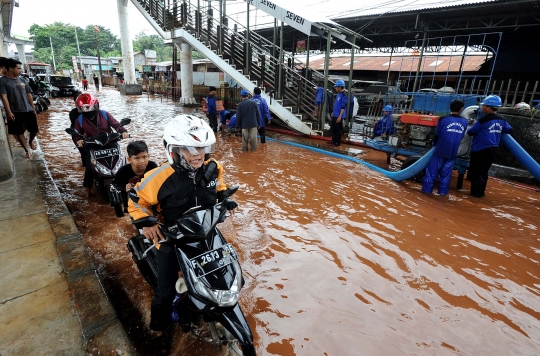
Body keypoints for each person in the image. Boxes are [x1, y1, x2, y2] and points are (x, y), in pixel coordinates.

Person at [127, 116, 238, 345]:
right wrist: (148, 224)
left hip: (206, 232)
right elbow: (136, 201)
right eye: (188, 148)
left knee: (227, 272)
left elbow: (219, 187)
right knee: (165, 292)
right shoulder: (157, 178)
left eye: (200, 146)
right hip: (172, 237)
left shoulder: (213, 168)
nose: (196, 154)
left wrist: (225, 199)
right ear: (174, 150)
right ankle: (158, 329)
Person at [72, 93, 128, 197]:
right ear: (80, 109)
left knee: (123, 163)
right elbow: (76, 133)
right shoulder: (79, 120)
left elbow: (116, 125)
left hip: (110, 143)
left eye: (91, 109)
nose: (89, 113)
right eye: (85, 110)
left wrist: (123, 131)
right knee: (89, 168)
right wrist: (79, 139)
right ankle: (87, 191)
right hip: (93, 146)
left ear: (96, 106)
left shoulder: (105, 114)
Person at [466, 94, 513, 198]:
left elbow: (470, 132)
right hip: (493, 149)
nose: (482, 107)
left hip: (479, 149)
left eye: (483, 105)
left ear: (488, 107)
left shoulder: (482, 120)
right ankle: (481, 194)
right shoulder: (502, 119)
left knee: (476, 172)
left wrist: (475, 124)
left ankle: (475, 196)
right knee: (484, 172)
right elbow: (509, 130)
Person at [421, 99, 468, 195]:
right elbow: (462, 136)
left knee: (431, 174)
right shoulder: (464, 121)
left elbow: (437, 134)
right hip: (453, 153)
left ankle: (426, 195)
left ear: (449, 107)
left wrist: (433, 144)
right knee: (446, 176)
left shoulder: (443, 119)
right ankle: (442, 195)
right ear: (461, 109)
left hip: (440, 151)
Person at [0, 58, 38, 158]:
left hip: (28, 109)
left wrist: (33, 108)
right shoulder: (3, 81)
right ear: (10, 69)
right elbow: (4, 98)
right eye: (18, 68)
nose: (20, 70)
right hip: (15, 111)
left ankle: (30, 141)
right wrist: (8, 112)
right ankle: (27, 150)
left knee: (34, 129)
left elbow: (29, 94)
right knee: (18, 132)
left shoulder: (23, 79)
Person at [112, 141, 157, 212]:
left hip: (149, 198)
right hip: (130, 201)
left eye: (144, 157)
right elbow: (114, 186)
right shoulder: (123, 171)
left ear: (148, 156)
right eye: (137, 158)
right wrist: (124, 188)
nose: (142, 161)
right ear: (129, 160)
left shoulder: (153, 167)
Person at [329, 79, 348, 147]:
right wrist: (333, 112)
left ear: (340, 87)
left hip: (339, 115)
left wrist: (340, 116)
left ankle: (337, 142)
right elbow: (337, 104)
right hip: (335, 114)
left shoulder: (344, 95)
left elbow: (343, 107)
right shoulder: (339, 94)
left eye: (337, 87)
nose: (335, 88)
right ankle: (333, 140)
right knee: (333, 128)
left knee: (338, 130)